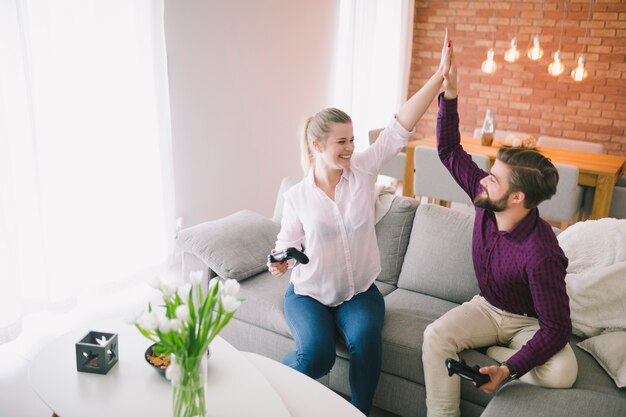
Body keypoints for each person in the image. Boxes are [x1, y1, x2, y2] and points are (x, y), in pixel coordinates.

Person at [266, 31, 453, 417]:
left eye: (352, 139)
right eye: (341, 142)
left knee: (367, 341)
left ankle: (359, 412)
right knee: (316, 357)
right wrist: (277, 261)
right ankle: (265, 396)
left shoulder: (363, 170)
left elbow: (398, 127)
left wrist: (438, 77)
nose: (351, 148)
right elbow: (285, 242)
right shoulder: (297, 197)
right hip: (309, 296)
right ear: (318, 146)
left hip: (359, 294)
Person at [421, 38, 578, 417]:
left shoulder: (542, 253)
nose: (484, 181)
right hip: (487, 309)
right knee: (434, 336)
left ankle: (502, 353)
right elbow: (449, 151)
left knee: (563, 372)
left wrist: (509, 367)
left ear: (518, 198)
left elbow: (556, 327)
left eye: (495, 179)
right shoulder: (485, 198)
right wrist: (451, 93)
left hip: (528, 322)